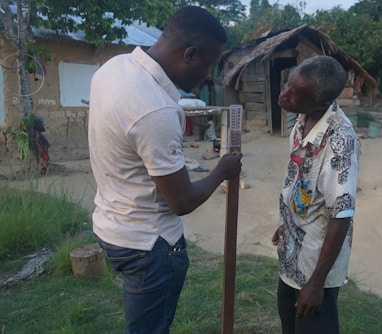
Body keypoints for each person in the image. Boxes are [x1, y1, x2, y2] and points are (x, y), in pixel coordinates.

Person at [88, 6, 242, 334]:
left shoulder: (114, 68)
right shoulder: (155, 107)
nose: (209, 77)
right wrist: (222, 170)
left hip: (112, 226)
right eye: (210, 66)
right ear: (190, 54)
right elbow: (182, 202)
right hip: (149, 245)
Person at [272, 56, 360, 334]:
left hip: (314, 267)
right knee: (290, 326)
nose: (284, 93)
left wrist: (316, 284)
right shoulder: (302, 119)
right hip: (292, 253)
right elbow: (303, 180)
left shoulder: (340, 142)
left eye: (295, 93)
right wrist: (287, 220)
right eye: (287, 84)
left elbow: (341, 213)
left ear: (321, 102)